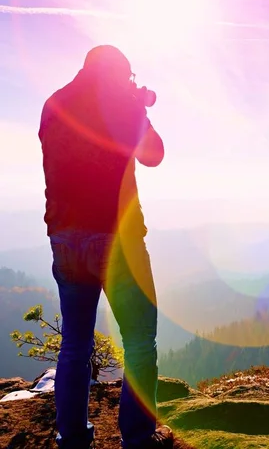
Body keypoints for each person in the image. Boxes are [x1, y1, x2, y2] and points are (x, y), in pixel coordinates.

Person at [38, 45, 173, 449]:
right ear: (118, 74)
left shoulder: (53, 103)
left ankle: (73, 438)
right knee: (138, 342)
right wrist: (138, 108)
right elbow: (155, 154)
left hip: (65, 238)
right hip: (116, 241)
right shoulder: (121, 104)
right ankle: (137, 439)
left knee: (75, 345)